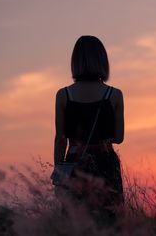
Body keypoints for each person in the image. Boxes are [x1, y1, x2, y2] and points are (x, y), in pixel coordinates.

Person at [52, 35, 124, 223]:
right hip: (106, 163)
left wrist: (59, 175)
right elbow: (118, 137)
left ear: (75, 61)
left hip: (75, 163)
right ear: (103, 61)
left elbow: (60, 139)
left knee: (75, 222)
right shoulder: (114, 95)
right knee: (110, 221)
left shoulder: (63, 95)